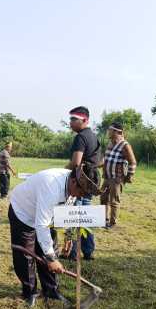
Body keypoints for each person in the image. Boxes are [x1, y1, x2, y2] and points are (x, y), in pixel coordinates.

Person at [9, 166, 102, 307]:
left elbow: (68, 210)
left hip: (47, 216)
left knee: (49, 248)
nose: (80, 196)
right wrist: (51, 258)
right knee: (26, 256)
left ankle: (51, 291)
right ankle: (30, 292)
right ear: (73, 181)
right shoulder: (51, 186)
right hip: (23, 212)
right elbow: (41, 225)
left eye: (84, 195)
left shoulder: (74, 188)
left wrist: (69, 235)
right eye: (81, 192)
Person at [65, 106, 102, 260]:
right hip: (91, 180)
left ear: (85, 120)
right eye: (70, 119)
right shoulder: (94, 136)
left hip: (79, 182)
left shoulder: (80, 137)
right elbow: (101, 161)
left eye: (74, 119)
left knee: (73, 215)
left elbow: (75, 162)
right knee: (85, 216)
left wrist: (62, 170)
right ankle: (88, 251)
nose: (71, 122)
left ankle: (71, 252)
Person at [100, 121, 137, 229]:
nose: (108, 132)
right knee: (103, 198)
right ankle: (103, 220)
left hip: (116, 178)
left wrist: (129, 176)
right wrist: (97, 165)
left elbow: (133, 162)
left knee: (114, 201)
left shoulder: (125, 145)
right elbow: (105, 159)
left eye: (110, 130)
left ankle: (112, 223)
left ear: (117, 132)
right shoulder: (110, 143)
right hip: (107, 177)